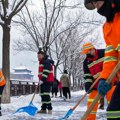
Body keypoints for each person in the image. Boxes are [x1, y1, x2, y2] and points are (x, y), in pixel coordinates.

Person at [84, 0, 120, 119]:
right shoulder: (107, 27)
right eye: (93, 5)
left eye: (96, 1)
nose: (96, 6)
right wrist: (104, 79)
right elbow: (111, 56)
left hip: (115, 81)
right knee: (114, 112)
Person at [81, 42, 117, 120]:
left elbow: (112, 63)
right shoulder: (86, 62)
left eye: (88, 51)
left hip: (110, 82)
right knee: (91, 104)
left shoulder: (104, 53)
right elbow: (87, 75)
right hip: (96, 86)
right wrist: (88, 84)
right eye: (86, 53)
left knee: (114, 102)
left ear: (93, 49)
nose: (87, 54)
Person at [37, 48, 54, 114]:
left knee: (46, 95)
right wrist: (40, 80)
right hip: (43, 81)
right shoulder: (41, 62)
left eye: (39, 56)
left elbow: (46, 71)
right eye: (38, 56)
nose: (38, 57)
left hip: (47, 81)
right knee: (42, 95)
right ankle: (43, 109)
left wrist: (42, 80)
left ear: (43, 55)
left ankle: (49, 109)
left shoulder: (46, 61)